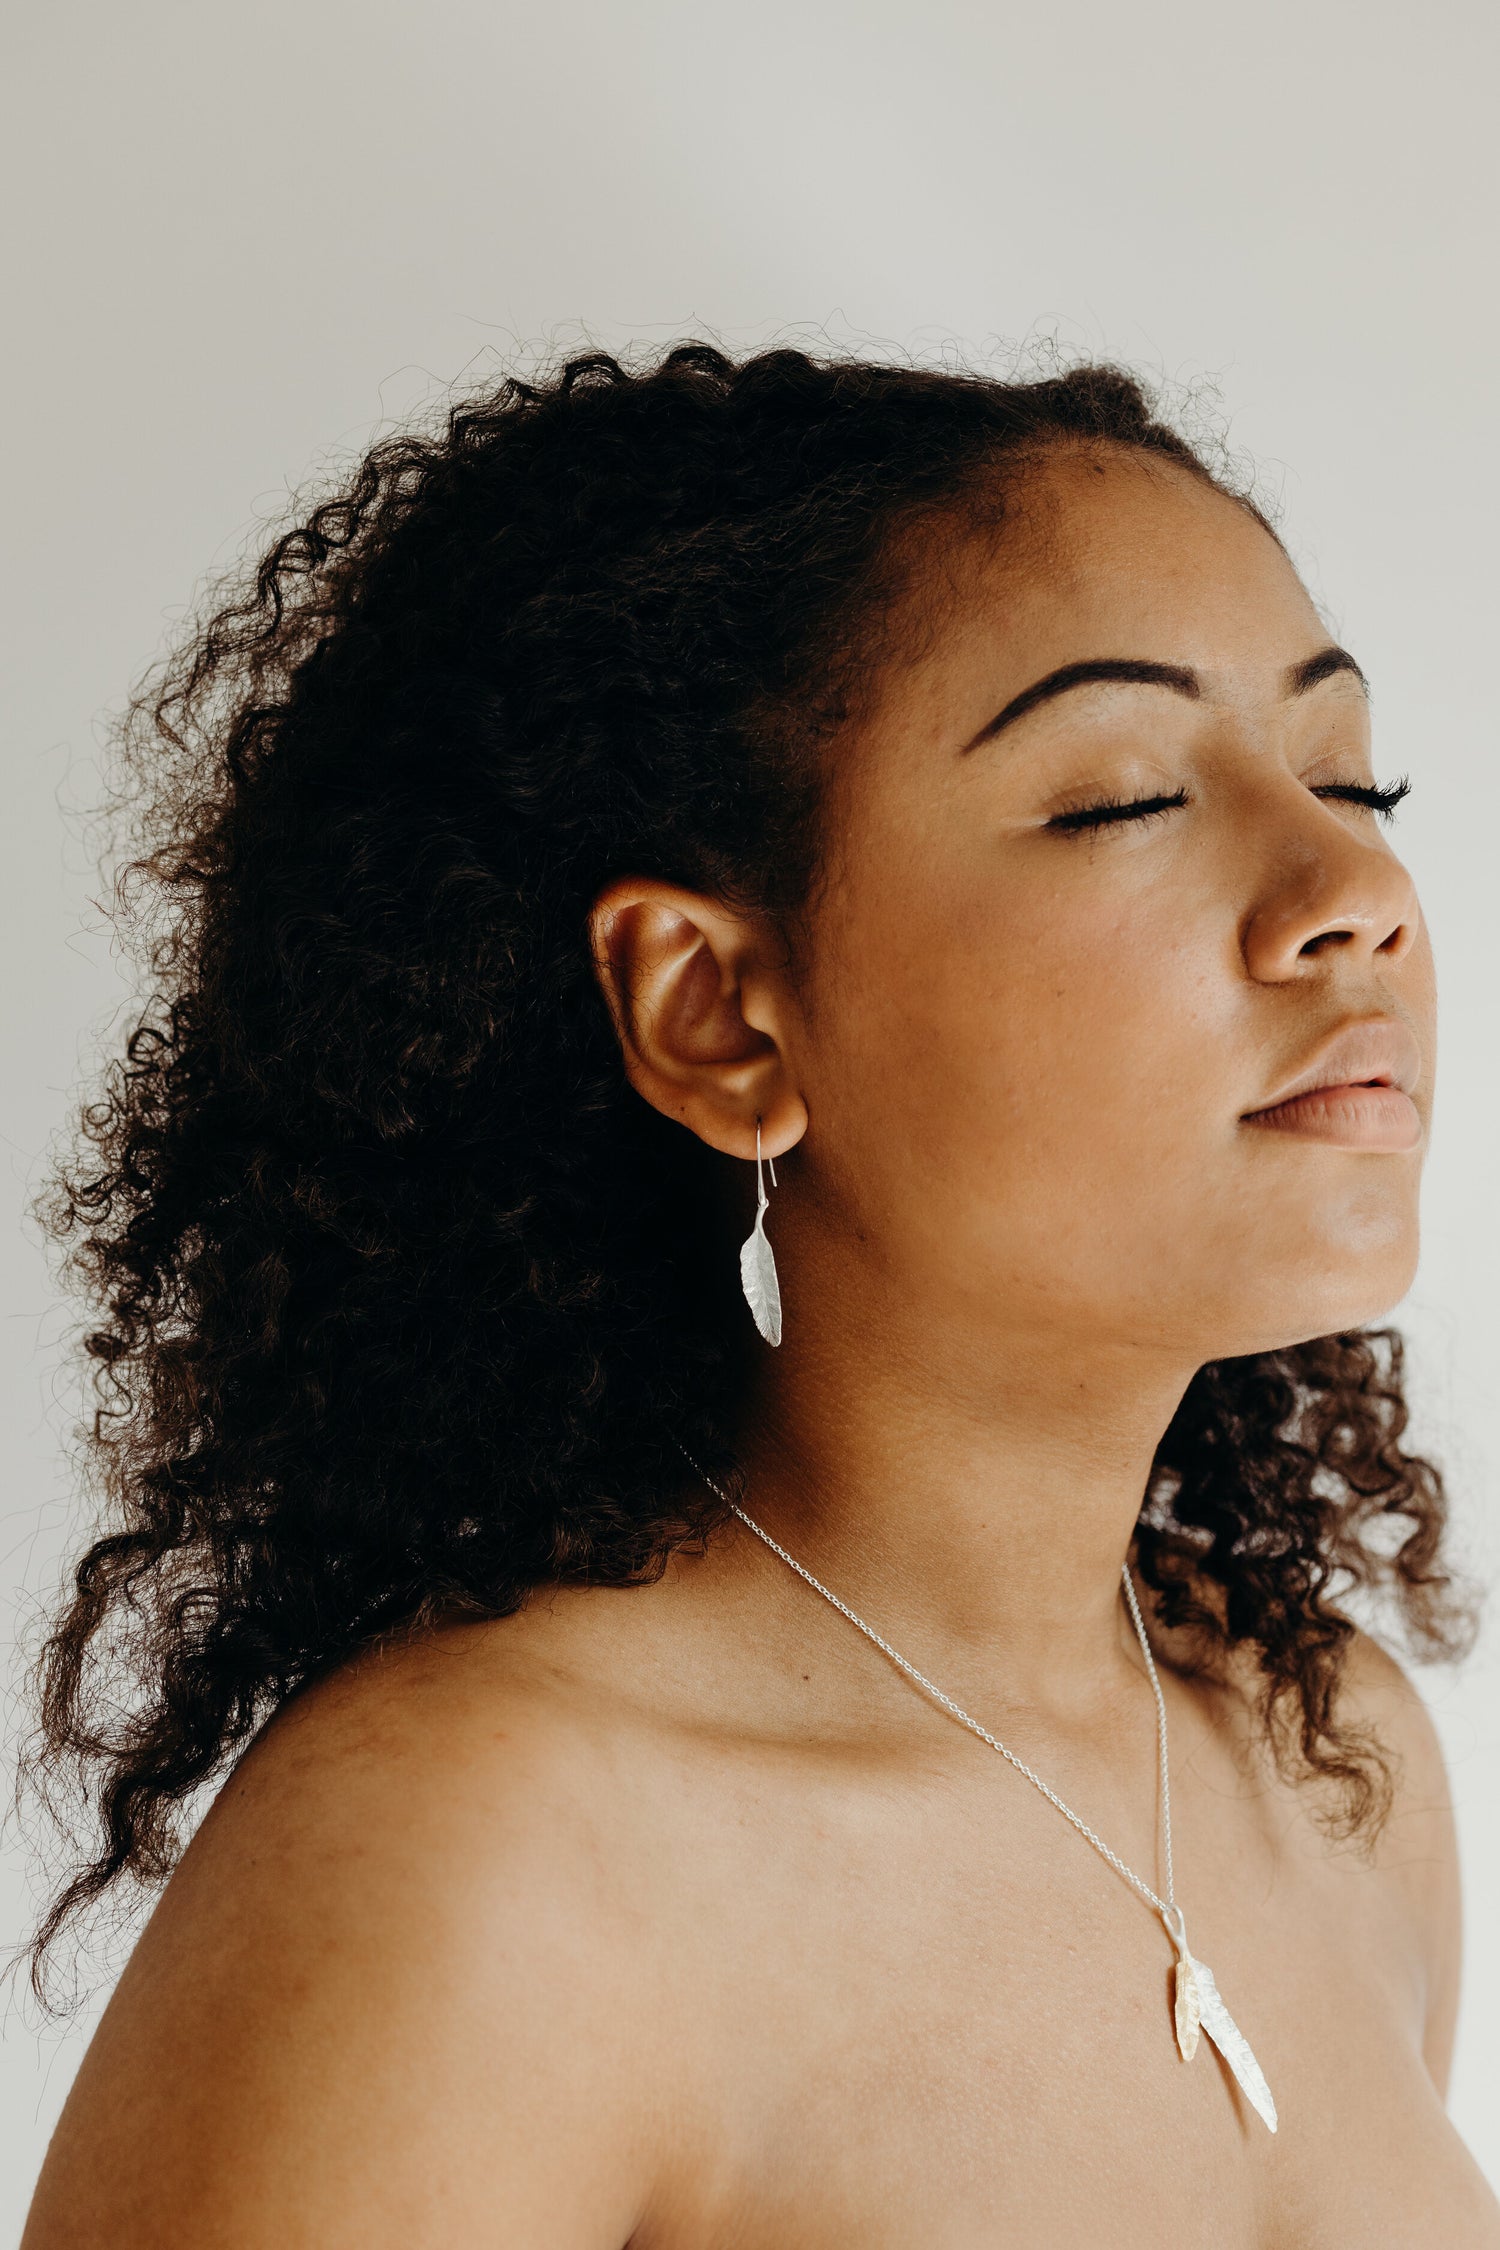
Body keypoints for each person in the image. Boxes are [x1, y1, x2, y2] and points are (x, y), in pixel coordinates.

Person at [19, 345, 1499, 2245]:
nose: (1348, 885)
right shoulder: (491, 1857)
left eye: (1346, 769)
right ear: (717, 1013)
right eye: (1125, 798)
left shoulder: (1335, 1765)